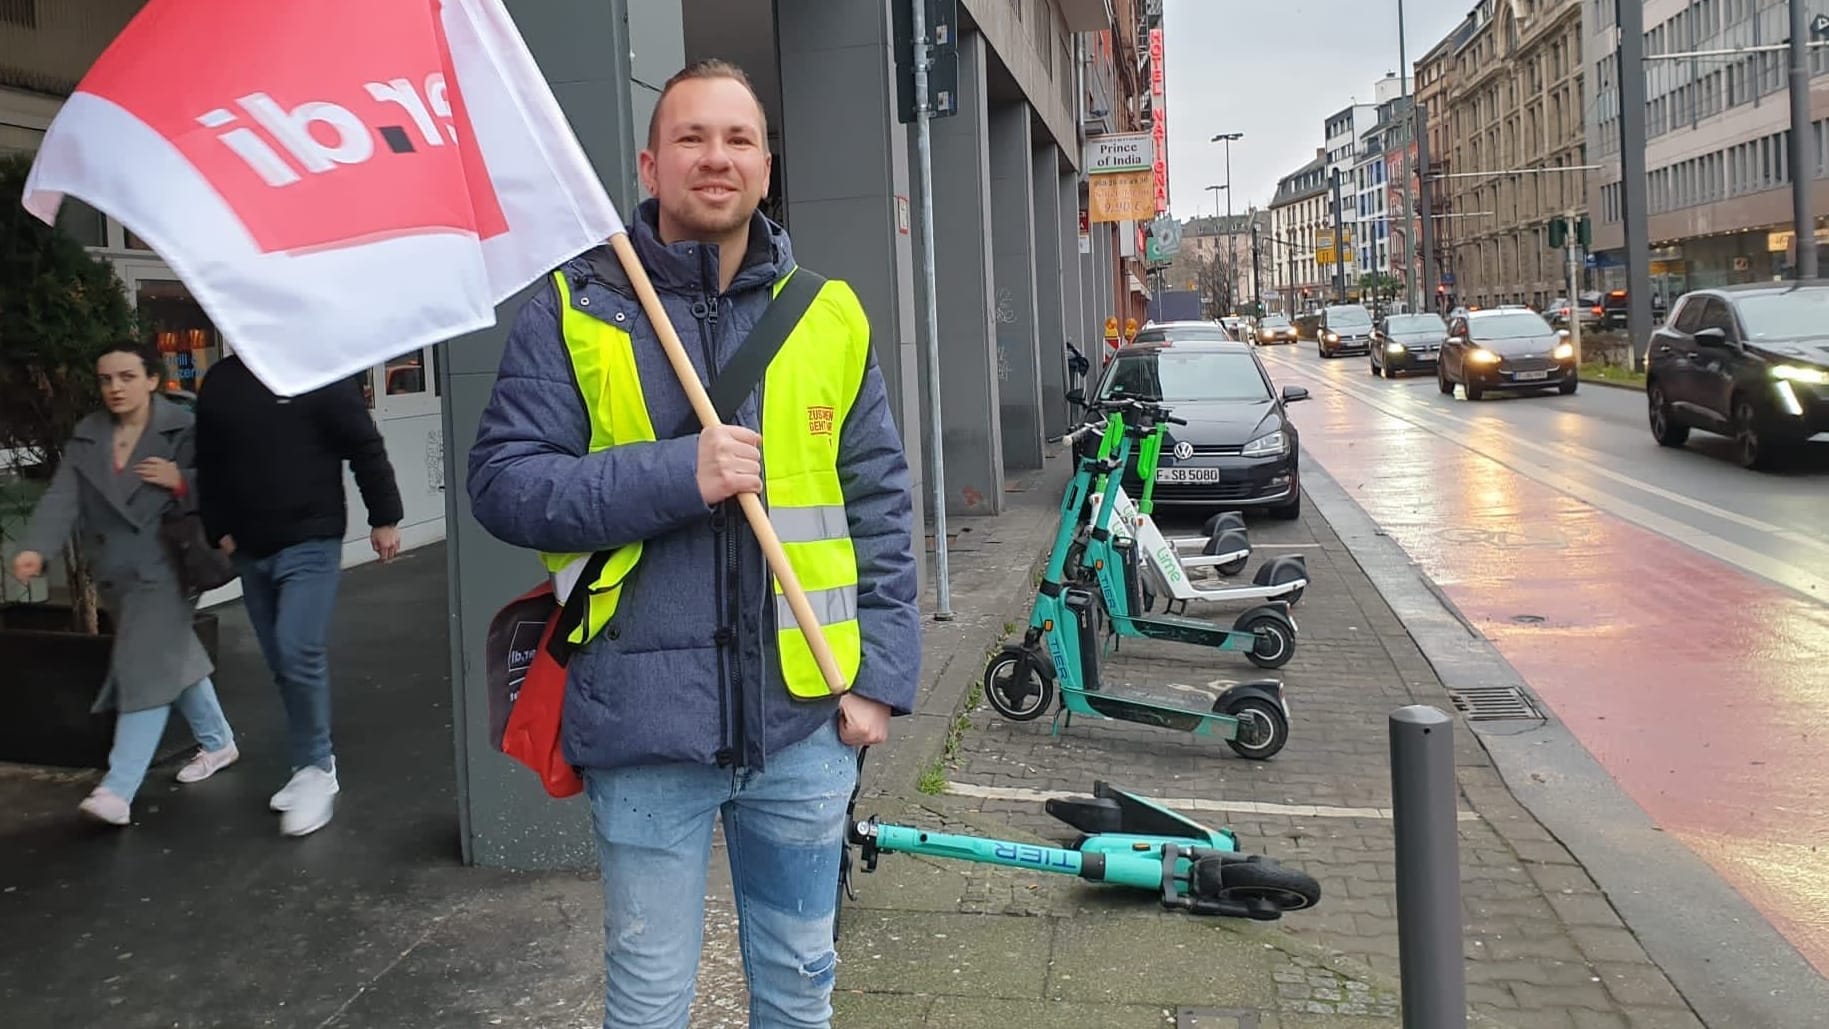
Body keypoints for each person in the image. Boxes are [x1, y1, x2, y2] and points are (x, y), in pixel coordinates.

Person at [467, 59, 920, 1028]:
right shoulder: (577, 307)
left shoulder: (828, 315)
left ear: (765, 163)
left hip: (804, 718)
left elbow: (878, 503)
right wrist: (681, 473)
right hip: (640, 726)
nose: (714, 158)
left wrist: (878, 676)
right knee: (647, 997)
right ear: (649, 162)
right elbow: (505, 488)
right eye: (690, 138)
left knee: (800, 979)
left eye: (736, 139)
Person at [10, 341, 239, 826]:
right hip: (116, 572)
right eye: (106, 379)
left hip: (169, 566)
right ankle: (219, 742)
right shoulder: (89, 434)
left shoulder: (182, 428)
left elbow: (225, 482)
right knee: (168, 656)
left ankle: (118, 787)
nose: (115, 387)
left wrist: (180, 479)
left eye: (127, 377)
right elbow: (63, 495)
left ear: (152, 379)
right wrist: (36, 548)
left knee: (144, 670)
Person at [192, 353, 403, 837]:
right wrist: (218, 529)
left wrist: (384, 518)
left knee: (297, 647)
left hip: (311, 539)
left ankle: (314, 771)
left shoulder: (317, 368)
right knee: (281, 661)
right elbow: (209, 459)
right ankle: (314, 763)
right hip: (250, 547)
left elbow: (364, 446)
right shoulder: (223, 380)